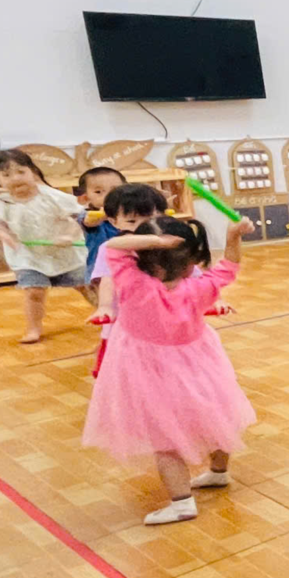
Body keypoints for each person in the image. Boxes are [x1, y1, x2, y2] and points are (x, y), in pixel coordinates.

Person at [81, 212, 257, 525]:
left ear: (142, 259)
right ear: (192, 260)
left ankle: (182, 503)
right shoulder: (201, 286)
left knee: (164, 440)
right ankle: (219, 472)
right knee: (215, 417)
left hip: (149, 371)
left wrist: (153, 241)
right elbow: (229, 266)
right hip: (200, 363)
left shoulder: (133, 283)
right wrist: (233, 237)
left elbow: (111, 247)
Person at [0, 149, 92, 344]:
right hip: (27, 257)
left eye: (21, 172)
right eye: (6, 175)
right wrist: (6, 237)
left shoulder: (52, 196)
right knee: (34, 291)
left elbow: (82, 216)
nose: (15, 178)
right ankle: (34, 329)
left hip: (65, 254)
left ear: (32, 171)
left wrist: (69, 235)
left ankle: (111, 316)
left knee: (85, 286)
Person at [87, 182, 171, 376]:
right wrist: (105, 306)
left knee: (163, 369)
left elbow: (191, 274)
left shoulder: (168, 243)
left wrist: (214, 299)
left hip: (162, 317)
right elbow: (108, 279)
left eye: (150, 219)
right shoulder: (111, 247)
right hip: (125, 319)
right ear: (114, 221)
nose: (141, 227)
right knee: (122, 373)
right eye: (131, 221)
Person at [76, 166, 127, 279]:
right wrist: (106, 213)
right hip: (99, 272)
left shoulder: (129, 213)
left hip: (128, 268)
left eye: (115, 191)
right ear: (86, 198)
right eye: (98, 192)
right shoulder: (87, 214)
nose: (109, 196)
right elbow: (89, 222)